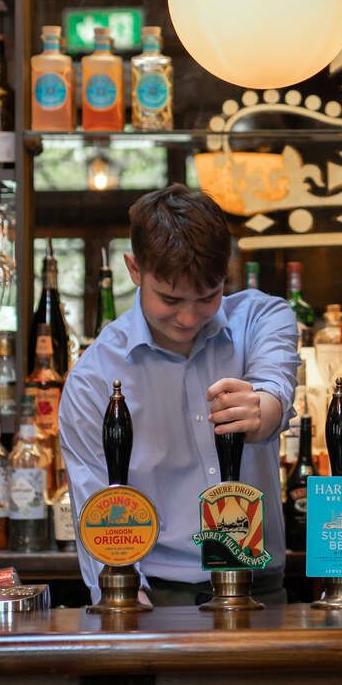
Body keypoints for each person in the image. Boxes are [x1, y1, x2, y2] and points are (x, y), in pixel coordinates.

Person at [59, 185, 297, 606]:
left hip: (258, 589)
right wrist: (128, 603)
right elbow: (95, 508)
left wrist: (262, 410)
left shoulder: (262, 317)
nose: (188, 317)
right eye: (170, 298)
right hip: (159, 594)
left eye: (208, 296)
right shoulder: (93, 378)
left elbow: (275, 382)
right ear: (134, 269)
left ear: (227, 271)